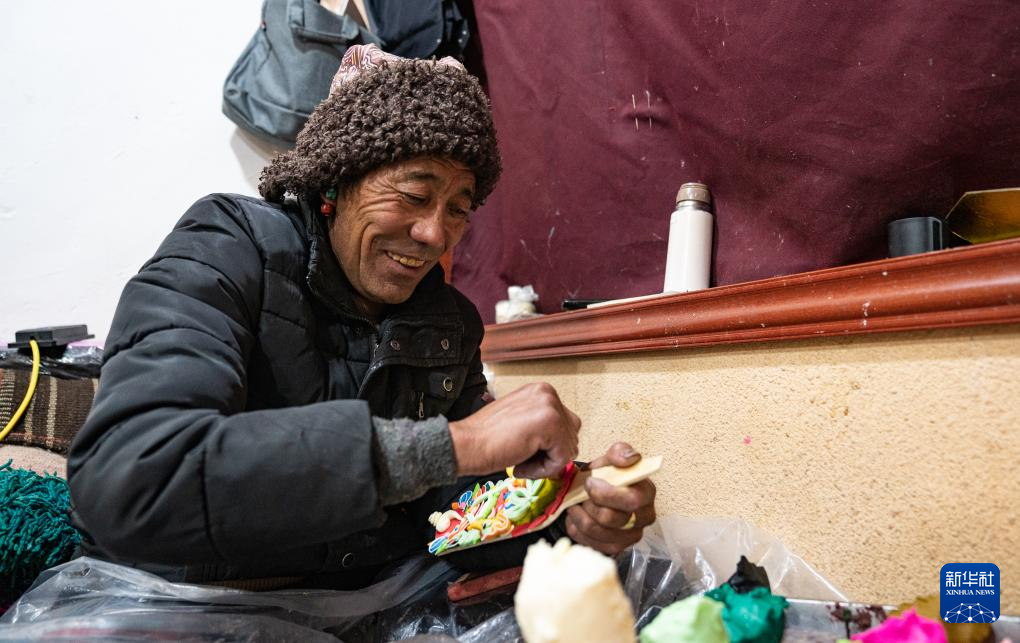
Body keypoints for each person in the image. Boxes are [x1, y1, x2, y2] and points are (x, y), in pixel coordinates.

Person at [67, 45, 656, 588]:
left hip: (353, 608)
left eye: (458, 209)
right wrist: (458, 442)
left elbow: (452, 516)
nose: (435, 235)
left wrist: (566, 512)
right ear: (337, 179)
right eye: (415, 195)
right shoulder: (225, 247)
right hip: (187, 601)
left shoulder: (449, 322)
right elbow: (133, 475)